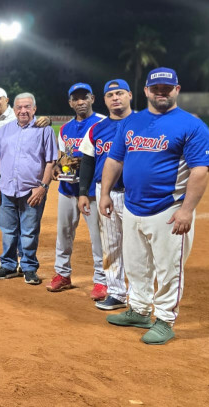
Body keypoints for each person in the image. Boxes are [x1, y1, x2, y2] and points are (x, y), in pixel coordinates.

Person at [100, 67, 209, 345]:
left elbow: (200, 171)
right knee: (137, 265)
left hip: (169, 209)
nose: (161, 92)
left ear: (177, 89)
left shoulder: (191, 125)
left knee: (168, 269)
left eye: (167, 88)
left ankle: (164, 319)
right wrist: (104, 194)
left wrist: (186, 210)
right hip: (132, 206)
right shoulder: (132, 122)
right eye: (156, 88)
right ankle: (139, 310)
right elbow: (115, 160)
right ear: (146, 91)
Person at [0, 93, 58, 285]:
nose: (23, 111)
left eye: (27, 107)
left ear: (34, 109)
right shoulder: (5, 130)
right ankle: (9, 265)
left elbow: (51, 161)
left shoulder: (44, 130)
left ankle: (28, 267)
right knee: (8, 231)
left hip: (32, 191)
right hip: (6, 189)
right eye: (19, 107)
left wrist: (43, 187)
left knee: (29, 232)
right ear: (14, 109)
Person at [78, 79, 133, 311]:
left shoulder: (142, 124)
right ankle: (117, 293)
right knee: (111, 245)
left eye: (119, 93)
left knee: (138, 247)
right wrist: (83, 193)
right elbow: (87, 163)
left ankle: (140, 297)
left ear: (130, 95)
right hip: (105, 192)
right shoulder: (96, 128)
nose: (115, 98)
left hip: (134, 192)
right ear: (104, 100)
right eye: (110, 95)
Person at [47, 83, 106, 297]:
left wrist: (82, 161)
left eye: (84, 97)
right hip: (67, 188)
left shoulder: (102, 123)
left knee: (98, 237)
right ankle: (62, 274)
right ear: (70, 102)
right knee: (63, 234)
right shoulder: (65, 129)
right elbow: (62, 157)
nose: (81, 102)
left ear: (92, 99)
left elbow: (106, 156)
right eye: (76, 98)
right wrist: (57, 167)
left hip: (92, 191)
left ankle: (102, 280)